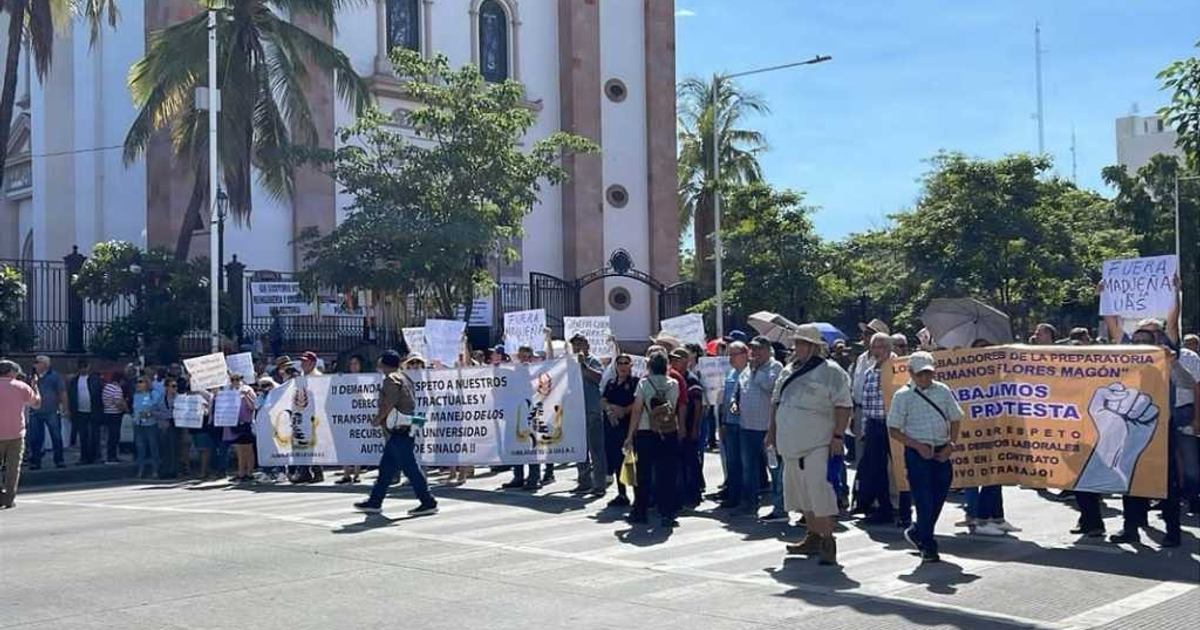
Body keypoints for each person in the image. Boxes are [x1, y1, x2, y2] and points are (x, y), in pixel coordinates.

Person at [767, 324, 853, 566]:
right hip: (790, 444)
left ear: (814, 346)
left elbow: (844, 406)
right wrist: (771, 432)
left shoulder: (831, 371)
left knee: (819, 492)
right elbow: (776, 402)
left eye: (803, 343)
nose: (798, 346)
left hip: (818, 443)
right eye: (797, 342)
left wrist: (838, 436)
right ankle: (813, 536)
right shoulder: (787, 370)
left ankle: (828, 541)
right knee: (800, 495)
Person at [887, 351, 963, 563]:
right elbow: (893, 429)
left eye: (928, 373)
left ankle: (919, 530)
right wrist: (916, 445)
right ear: (911, 373)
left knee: (939, 496)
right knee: (923, 500)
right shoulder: (902, 396)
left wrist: (951, 444)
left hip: (941, 451)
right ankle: (928, 544)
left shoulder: (943, 390)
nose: (925, 378)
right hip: (917, 453)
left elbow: (956, 418)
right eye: (921, 374)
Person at [354, 351, 438, 516]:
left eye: (380, 363)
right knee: (386, 469)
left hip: (399, 429)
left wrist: (378, 419)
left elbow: (389, 403)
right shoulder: (405, 378)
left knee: (411, 468)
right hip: (404, 428)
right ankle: (374, 501)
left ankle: (428, 502)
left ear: (384, 364)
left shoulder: (391, 380)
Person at [623, 351, 682, 527]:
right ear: (666, 366)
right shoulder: (674, 384)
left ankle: (640, 512)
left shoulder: (644, 383)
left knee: (644, 474)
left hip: (645, 432)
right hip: (667, 431)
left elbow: (637, 410)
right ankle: (667, 513)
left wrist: (629, 435)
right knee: (667, 473)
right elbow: (674, 407)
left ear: (649, 366)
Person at [736, 336, 783, 519]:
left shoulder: (775, 367)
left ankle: (779, 507)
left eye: (758, 349)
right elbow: (741, 389)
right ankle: (749, 503)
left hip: (767, 429)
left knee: (774, 468)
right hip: (747, 427)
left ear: (767, 350)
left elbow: (771, 387)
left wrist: (756, 372)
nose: (753, 353)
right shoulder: (747, 369)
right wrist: (735, 401)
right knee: (749, 468)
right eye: (752, 349)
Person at [854, 332, 896, 525]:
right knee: (877, 469)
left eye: (881, 346)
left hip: (894, 425)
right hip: (874, 425)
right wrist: (863, 429)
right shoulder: (870, 371)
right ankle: (884, 508)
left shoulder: (898, 368)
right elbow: (866, 403)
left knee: (901, 470)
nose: (877, 350)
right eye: (874, 346)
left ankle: (904, 510)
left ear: (889, 348)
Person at [569, 334, 607, 496]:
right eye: (574, 345)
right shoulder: (569, 363)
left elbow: (599, 378)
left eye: (579, 344)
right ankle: (584, 482)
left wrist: (583, 365)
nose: (577, 348)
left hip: (592, 410)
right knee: (580, 450)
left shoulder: (593, 361)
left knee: (596, 449)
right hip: (577, 411)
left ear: (587, 345)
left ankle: (599, 485)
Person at [1, 360, 41, 509]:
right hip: (16, 433)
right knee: (13, 467)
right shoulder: (21, 387)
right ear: (11, 371)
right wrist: (35, 386)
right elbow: (37, 404)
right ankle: (9, 498)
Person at [601, 353, 639, 508]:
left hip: (628, 427)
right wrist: (610, 409)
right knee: (617, 461)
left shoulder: (636, 382)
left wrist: (624, 410)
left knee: (632, 461)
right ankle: (621, 494)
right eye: (620, 363)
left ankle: (639, 496)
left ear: (630, 366)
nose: (623, 366)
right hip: (612, 428)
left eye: (626, 363)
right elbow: (603, 400)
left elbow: (638, 402)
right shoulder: (611, 383)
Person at [717, 341, 749, 509]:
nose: (730, 358)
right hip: (729, 424)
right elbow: (724, 400)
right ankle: (733, 495)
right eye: (729, 354)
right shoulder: (730, 374)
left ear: (745, 354)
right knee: (732, 462)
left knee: (744, 463)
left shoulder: (749, 373)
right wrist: (722, 422)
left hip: (744, 425)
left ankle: (745, 497)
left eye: (734, 354)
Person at [672, 348, 705, 508]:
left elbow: (698, 405)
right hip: (677, 427)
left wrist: (694, 429)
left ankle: (694, 495)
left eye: (677, 359)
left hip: (689, 425)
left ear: (686, 361)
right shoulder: (675, 378)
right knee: (681, 463)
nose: (673, 363)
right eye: (672, 359)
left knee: (691, 462)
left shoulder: (691, 380)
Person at [25, 355, 66, 470]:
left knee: (56, 436)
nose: (35, 365)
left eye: (37, 362)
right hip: (35, 411)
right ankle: (35, 462)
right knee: (35, 438)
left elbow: (62, 392)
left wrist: (65, 408)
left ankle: (59, 460)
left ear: (45, 364)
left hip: (51, 411)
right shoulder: (31, 377)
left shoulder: (55, 376)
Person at [336, 354, 369, 485]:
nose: (353, 366)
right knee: (345, 444)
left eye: (356, 363)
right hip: (346, 415)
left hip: (359, 416)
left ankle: (356, 473)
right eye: (351, 364)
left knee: (357, 445)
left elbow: (368, 399)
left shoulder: (365, 379)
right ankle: (346, 473)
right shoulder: (345, 379)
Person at [67, 359, 103, 465]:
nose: (84, 369)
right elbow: (71, 396)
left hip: (94, 411)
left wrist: (100, 410)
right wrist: (71, 410)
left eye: (85, 366)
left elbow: (99, 394)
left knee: (95, 434)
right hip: (80, 411)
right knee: (83, 435)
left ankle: (96, 456)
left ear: (89, 367)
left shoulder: (95, 379)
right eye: (81, 367)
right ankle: (84, 457)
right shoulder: (74, 381)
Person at [224, 373, 258, 483]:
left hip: (246, 423)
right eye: (233, 379)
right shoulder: (229, 391)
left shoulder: (247, 389)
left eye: (237, 379)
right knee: (239, 450)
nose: (235, 382)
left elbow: (253, 406)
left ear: (241, 379)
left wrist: (246, 396)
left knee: (248, 449)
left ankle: (250, 473)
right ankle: (241, 473)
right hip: (234, 423)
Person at [130, 375, 164, 479]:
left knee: (154, 447)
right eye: (137, 382)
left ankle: (156, 470)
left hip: (151, 424)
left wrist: (150, 413)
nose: (138, 384)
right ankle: (141, 470)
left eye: (141, 382)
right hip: (138, 424)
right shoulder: (136, 395)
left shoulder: (154, 394)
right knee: (140, 448)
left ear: (147, 383)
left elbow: (160, 408)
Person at [100, 371, 128, 463]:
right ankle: (112, 456)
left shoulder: (107, 387)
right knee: (115, 436)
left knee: (110, 436)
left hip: (106, 413)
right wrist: (125, 409)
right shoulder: (117, 389)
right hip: (115, 414)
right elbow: (118, 403)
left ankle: (110, 455)